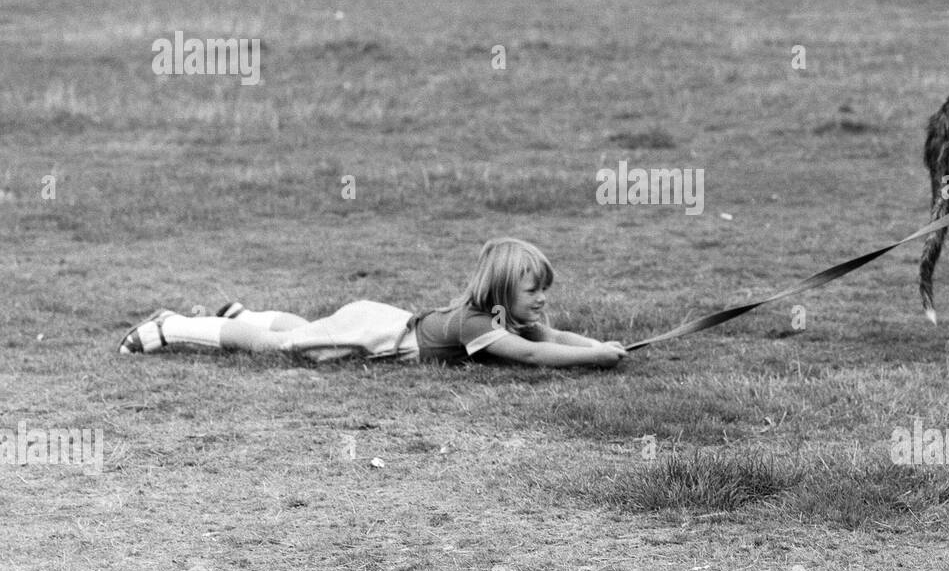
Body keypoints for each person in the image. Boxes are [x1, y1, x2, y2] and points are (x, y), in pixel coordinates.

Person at [118, 238, 627, 368]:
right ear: (502, 292)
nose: (542, 299)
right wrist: (596, 357)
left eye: (544, 289)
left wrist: (601, 346)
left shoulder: (502, 315)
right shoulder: (479, 324)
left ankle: (242, 315)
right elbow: (536, 355)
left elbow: (552, 339)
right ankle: (176, 328)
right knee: (289, 346)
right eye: (533, 290)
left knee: (315, 327)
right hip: (381, 335)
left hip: (382, 318)